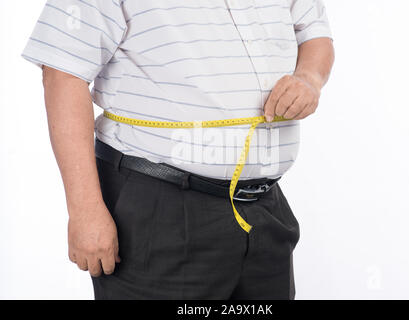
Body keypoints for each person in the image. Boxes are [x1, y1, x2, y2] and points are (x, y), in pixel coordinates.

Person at [22, 0, 334, 300]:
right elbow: (64, 72)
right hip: (159, 209)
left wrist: (309, 77)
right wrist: (85, 211)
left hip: (265, 208)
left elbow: (313, 33)